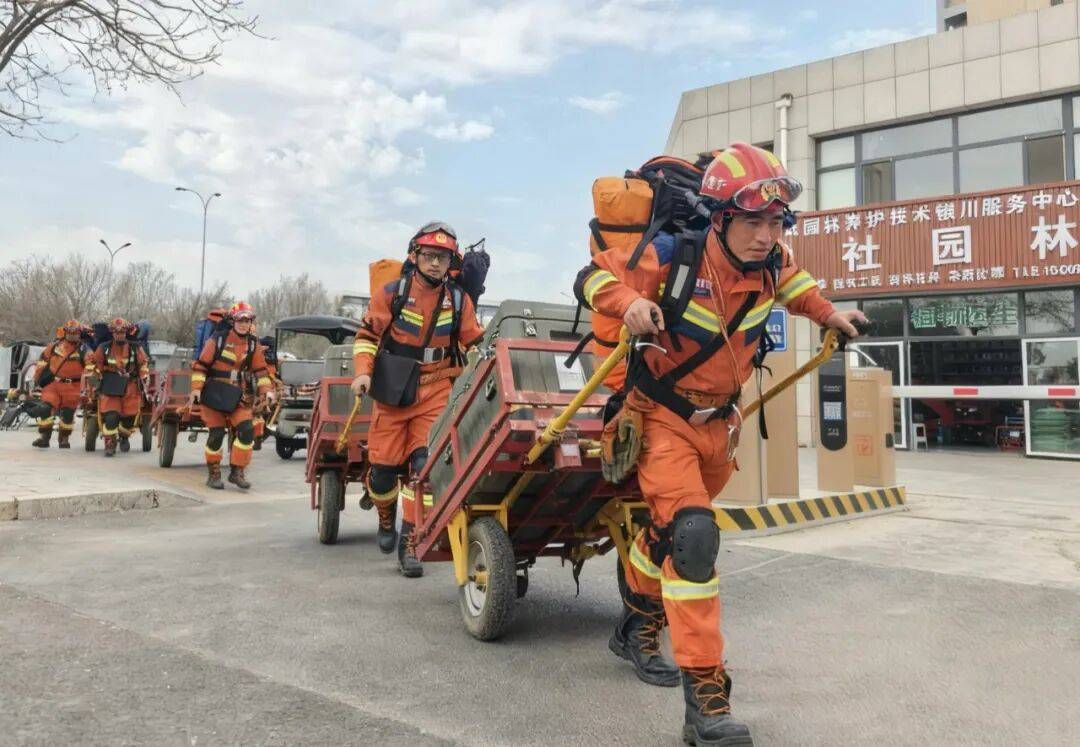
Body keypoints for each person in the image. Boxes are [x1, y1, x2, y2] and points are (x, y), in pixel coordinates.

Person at [574, 142, 867, 746]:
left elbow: (799, 288)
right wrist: (629, 303)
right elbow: (591, 278)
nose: (766, 235)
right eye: (753, 222)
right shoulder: (673, 257)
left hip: (720, 428)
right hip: (659, 420)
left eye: (774, 222)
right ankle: (706, 701)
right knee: (693, 538)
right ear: (720, 218)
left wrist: (830, 316)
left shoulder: (771, 263)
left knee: (665, 535)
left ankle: (634, 620)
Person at [351, 221, 485, 577]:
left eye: (443, 257)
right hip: (393, 390)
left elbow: (476, 341)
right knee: (381, 475)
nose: (436, 263)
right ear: (414, 256)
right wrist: (363, 371)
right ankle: (384, 516)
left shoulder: (459, 300)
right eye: (429, 256)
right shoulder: (391, 293)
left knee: (424, 470)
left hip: (437, 389)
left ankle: (411, 542)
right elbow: (366, 335)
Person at [189, 302, 275, 490]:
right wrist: (196, 388)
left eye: (248, 320)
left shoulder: (253, 344)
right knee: (217, 434)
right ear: (233, 321)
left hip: (236, 396)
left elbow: (261, 371)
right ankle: (213, 473)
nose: (244, 324)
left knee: (246, 431)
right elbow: (201, 366)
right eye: (240, 320)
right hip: (213, 395)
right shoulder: (217, 340)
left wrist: (267, 391)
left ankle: (236, 471)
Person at [86, 318, 150, 457]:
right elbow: (96, 365)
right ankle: (110, 444)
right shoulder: (104, 347)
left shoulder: (135, 347)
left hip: (130, 386)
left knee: (129, 417)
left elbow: (143, 363)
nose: (119, 335)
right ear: (112, 333)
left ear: (126, 332)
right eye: (116, 333)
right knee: (111, 417)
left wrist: (144, 375)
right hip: (110, 385)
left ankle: (124, 435)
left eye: (122, 332)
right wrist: (95, 379)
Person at [30, 319, 89, 449]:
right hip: (54, 384)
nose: (72, 335)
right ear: (65, 332)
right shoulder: (54, 346)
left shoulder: (84, 349)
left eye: (75, 333)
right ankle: (44, 437)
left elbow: (90, 366)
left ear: (79, 333)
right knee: (45, 408)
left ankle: (64, 438)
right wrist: (36, 379)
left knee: (67, 414)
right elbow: (42, 362)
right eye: (69, 333)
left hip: (73, 386)